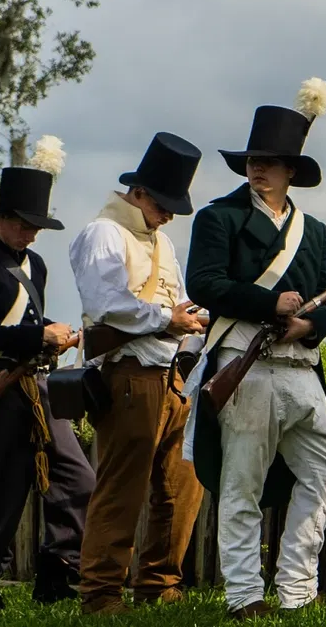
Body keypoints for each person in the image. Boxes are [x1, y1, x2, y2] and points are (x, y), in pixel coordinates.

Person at [182, 78, 326, 619]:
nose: (259, 168)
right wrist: (271, 304)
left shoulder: (314, 230)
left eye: (271, 162)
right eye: (254, 159)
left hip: (301, 367)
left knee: (324, 470)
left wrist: (310, 325)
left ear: (291, 171)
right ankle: (245, 596)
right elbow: (204, 284)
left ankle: (297, 586)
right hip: (244, 365)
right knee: (242, 486)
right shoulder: (218, 218)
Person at [0, 137, 95, 611]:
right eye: (24, 224)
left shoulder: (35, 264)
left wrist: (53, 342)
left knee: (77, 478)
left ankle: (56, 570)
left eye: (36, 226)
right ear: (2, 219)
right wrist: (40, 339)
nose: (31, 234)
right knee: (4, 486)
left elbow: (33, 326)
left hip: (36, 384)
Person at [71, 132, 207, 614]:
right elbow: (107, 306)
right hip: (128, 373)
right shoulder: (103, 234)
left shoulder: (162, 242)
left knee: (182, 483)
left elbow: (173, 300)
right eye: (164, 203)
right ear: (141, 193)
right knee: (122, 487)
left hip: (172, 372)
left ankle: (160, 582)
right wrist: (168, 319)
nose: (169, 214)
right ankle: (102, 591)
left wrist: (190, 315)